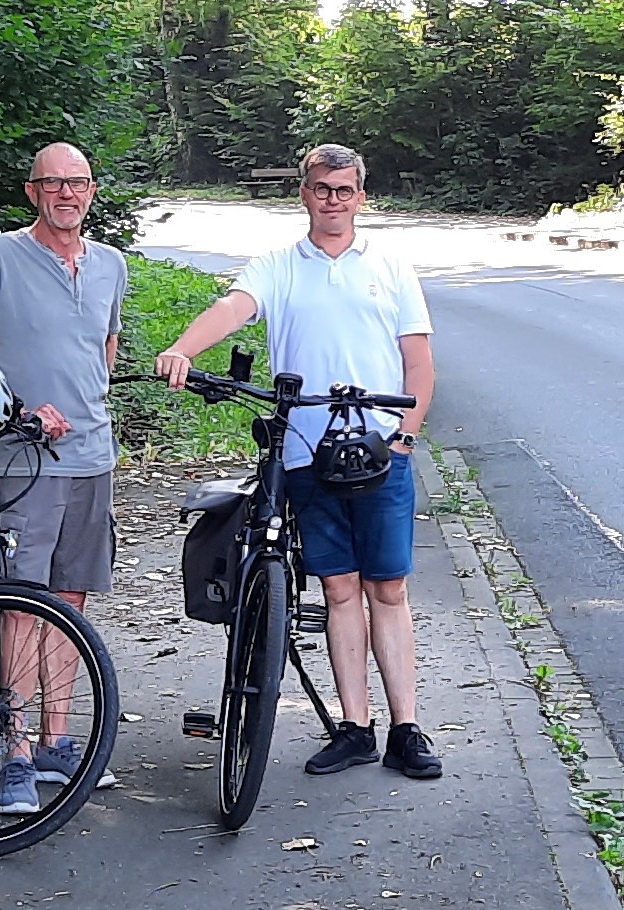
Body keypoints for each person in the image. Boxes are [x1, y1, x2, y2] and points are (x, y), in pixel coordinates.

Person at [155, 142, 442, 780]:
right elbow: (235, 308)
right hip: (308, 454)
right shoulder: (279, 266)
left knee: (388, 589)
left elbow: (417, 362)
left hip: (379, 454)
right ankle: (355, 727)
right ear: (305, 194)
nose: (332, 200)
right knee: (339, 589)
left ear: (361, 197)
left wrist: (405, 436)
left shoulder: (391, 267)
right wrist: (181, 347)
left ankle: (405, 727)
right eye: (321, 188)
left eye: (344, 190)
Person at [0, 142, 126, 814]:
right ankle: (15, 754)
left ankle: (57, 743)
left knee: (70, 601)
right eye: (52, 183)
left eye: (77, 183)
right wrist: (21, 412)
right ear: (31, 192)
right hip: (21, 463)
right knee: (19, 604)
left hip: (91, 457)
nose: (66, 194)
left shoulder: (110, 264)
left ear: (91, 190)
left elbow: (102, 350)